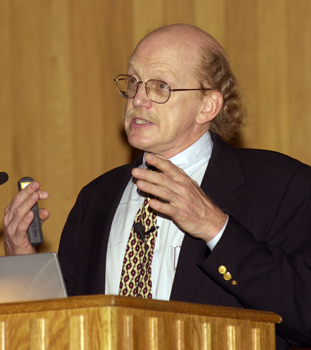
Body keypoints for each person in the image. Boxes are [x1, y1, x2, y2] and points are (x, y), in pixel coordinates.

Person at [3, 23, 311, 349]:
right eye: (133, 82)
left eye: (160, 86)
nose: (138, 100)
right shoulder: (97, 197)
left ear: (208, 105)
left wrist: (215, 227)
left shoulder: (280, 185)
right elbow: (62, 332)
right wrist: (23, 263)